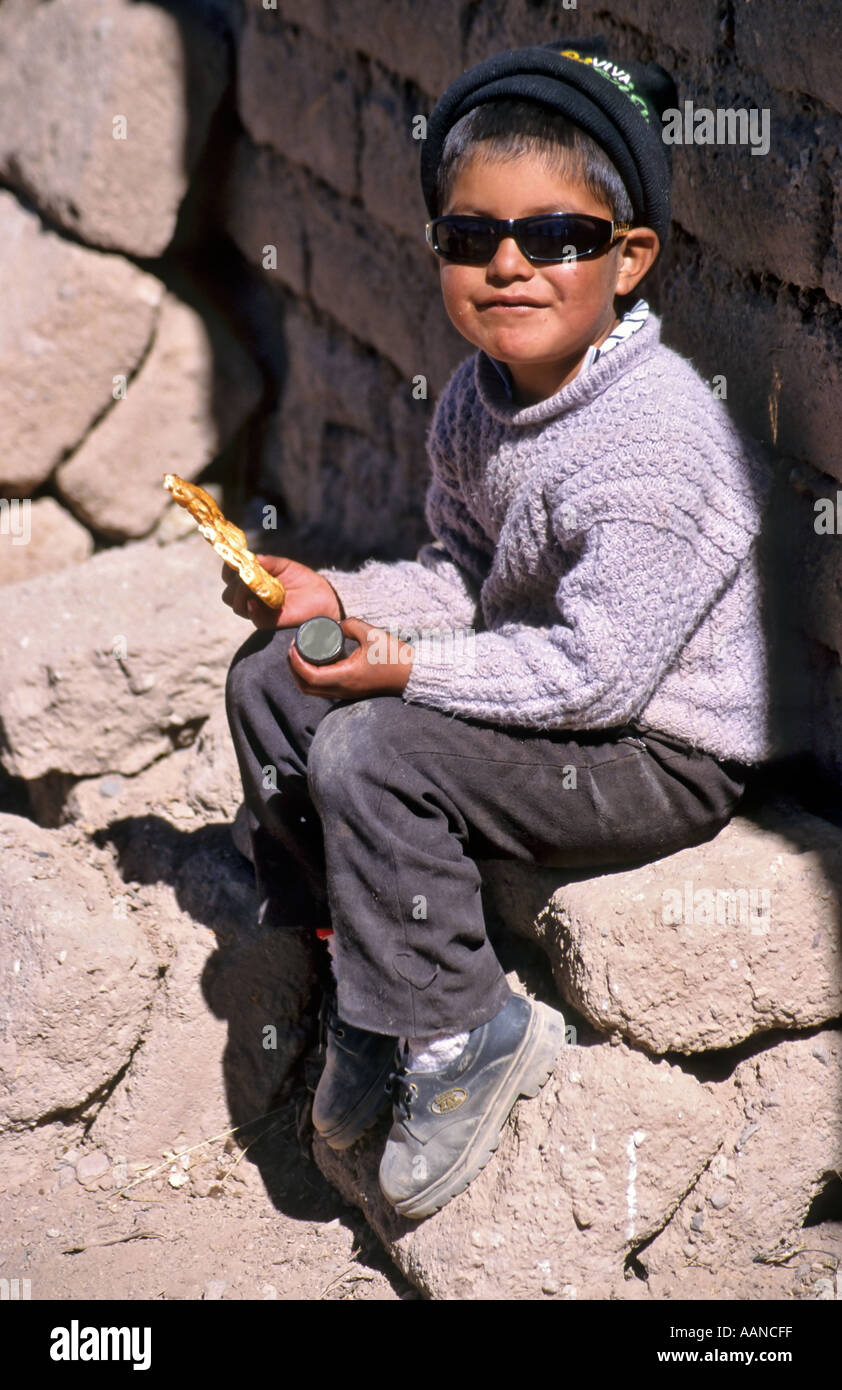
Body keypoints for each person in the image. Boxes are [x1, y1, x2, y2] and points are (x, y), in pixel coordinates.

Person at [222, 37, 775, 1221]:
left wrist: (404, 668)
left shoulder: (653, 444)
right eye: (471, 238)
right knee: (275, 679)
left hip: (651, 751)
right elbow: (463, 574)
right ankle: (352, 968)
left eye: (557, 239)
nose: (509, 266)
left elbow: (594, 678)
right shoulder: (482, 400)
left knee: (368, 747)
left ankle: (462, 1023)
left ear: (627, 260)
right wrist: (337, 604)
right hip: (550, 694)